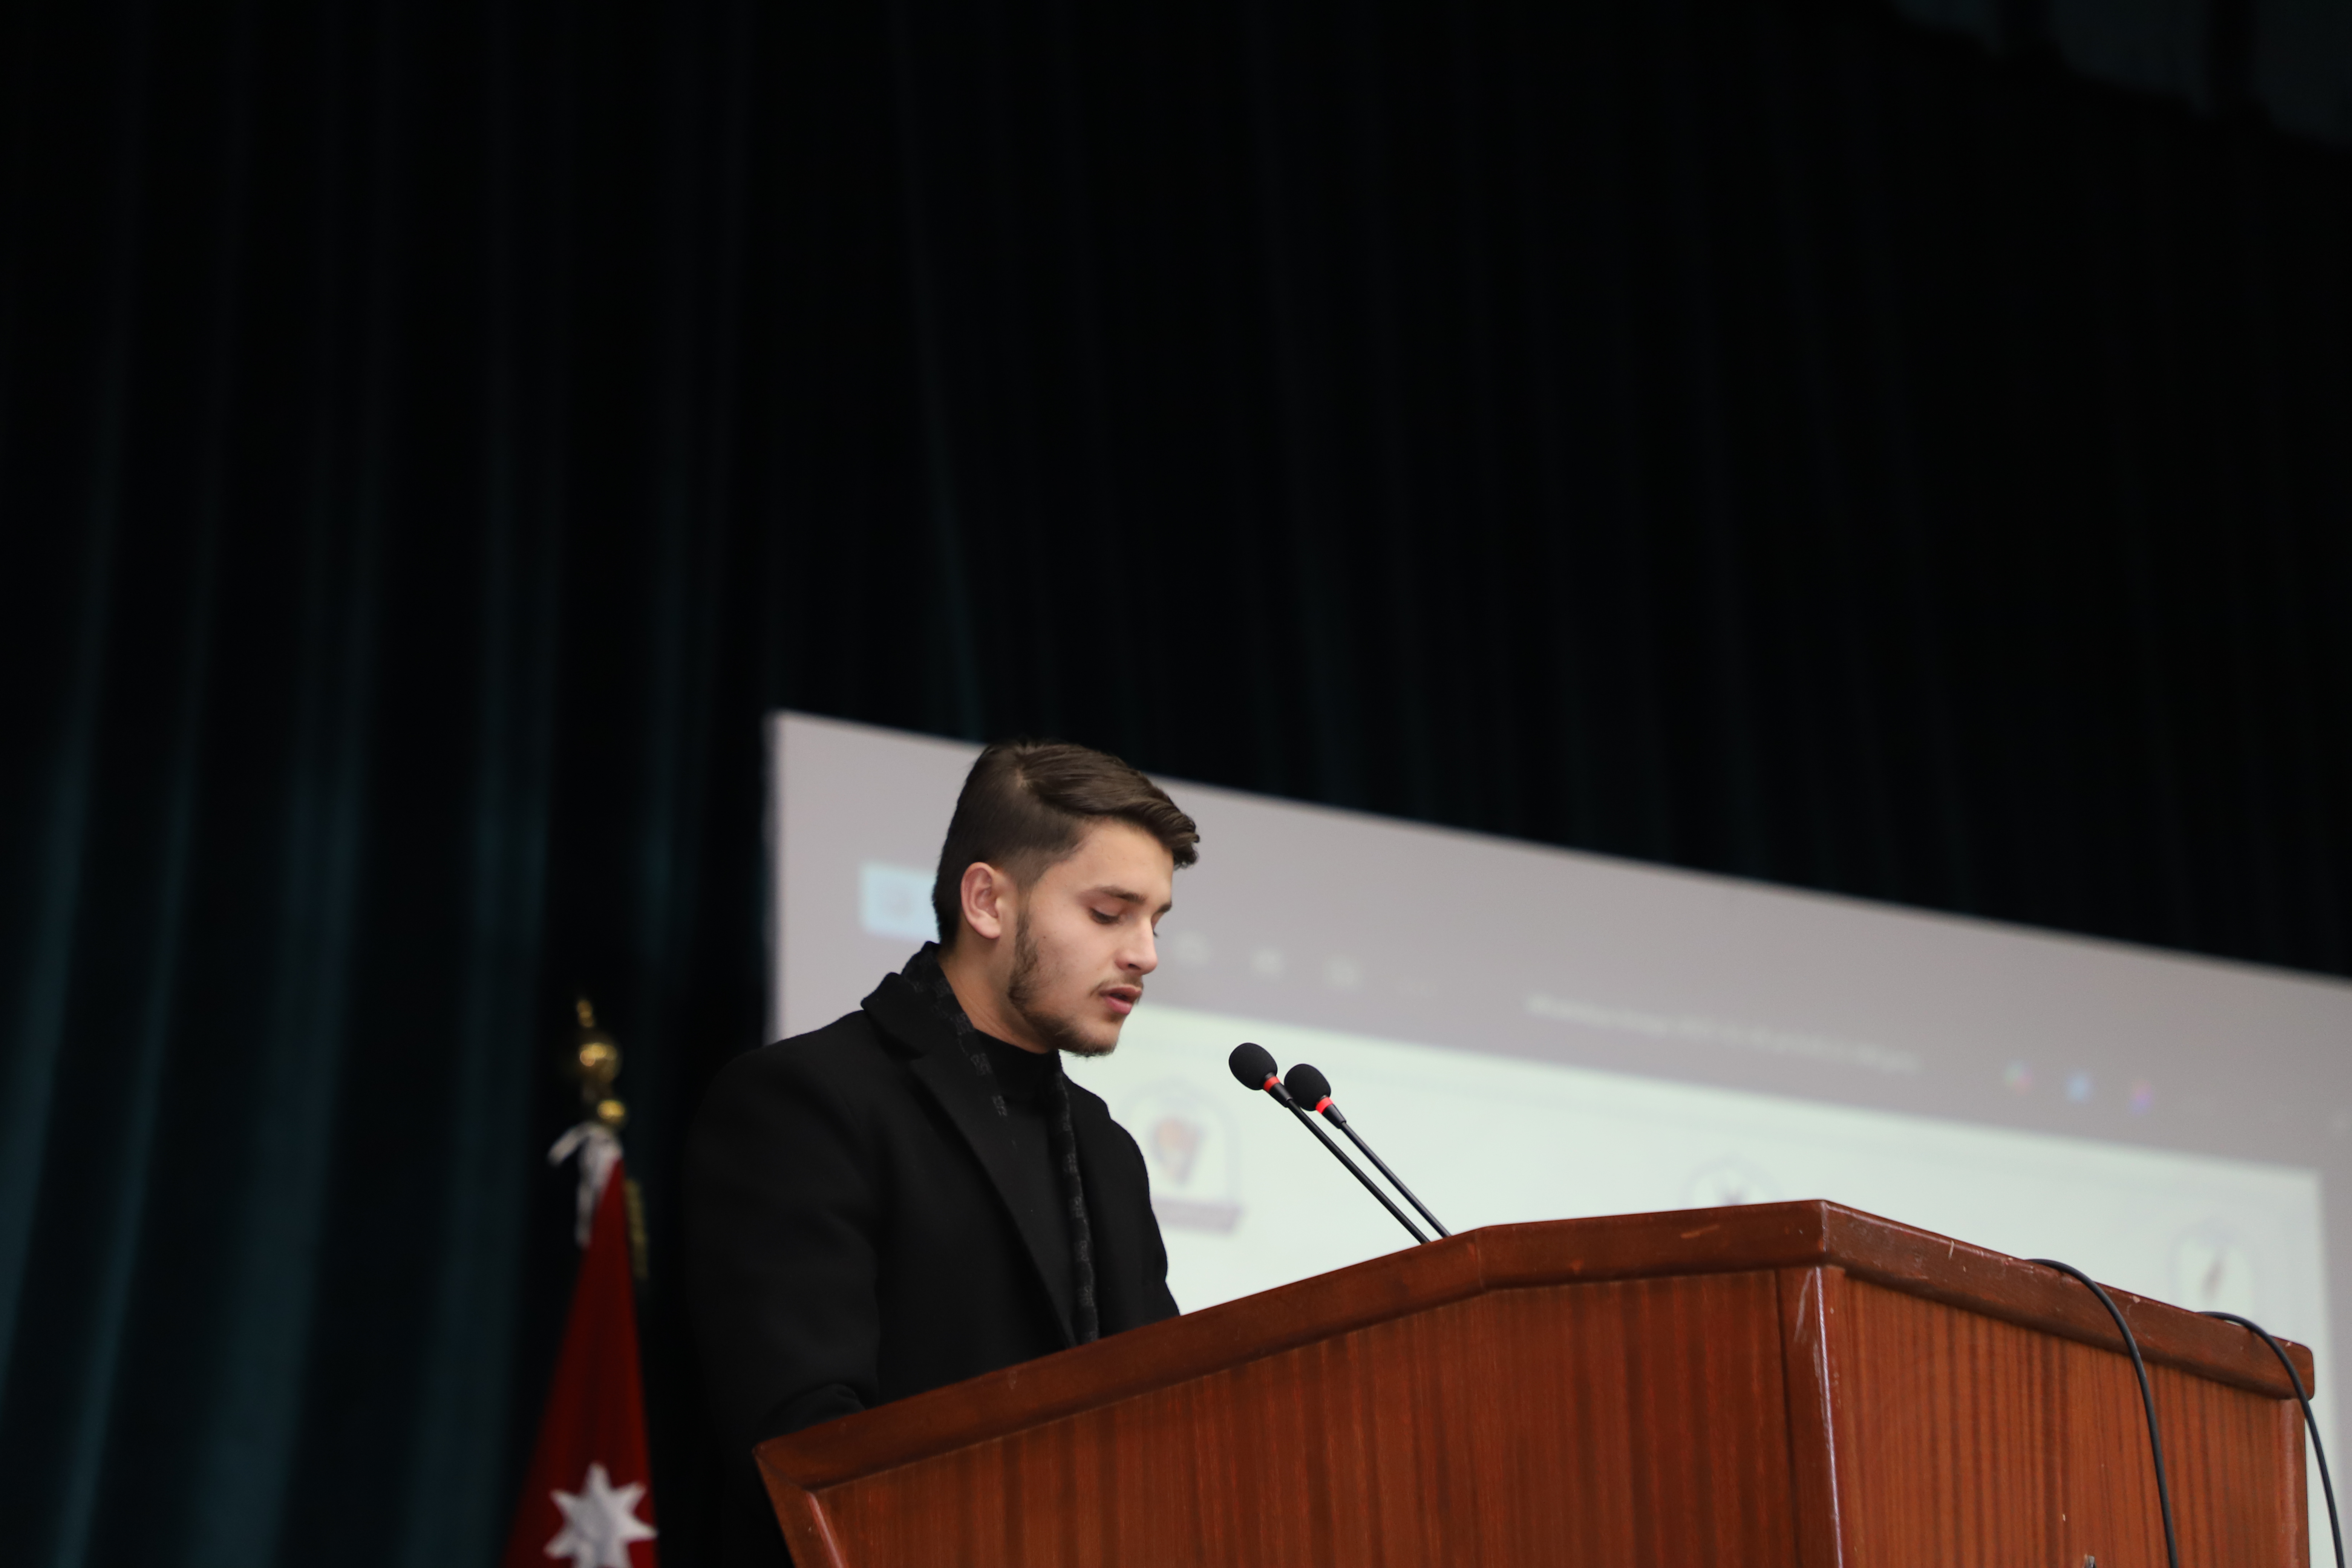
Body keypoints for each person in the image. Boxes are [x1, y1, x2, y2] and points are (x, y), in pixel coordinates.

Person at [684, 739, 1197, 1567]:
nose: (1146, 953)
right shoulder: (808, 1100)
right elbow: (803, 1446)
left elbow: (1170, 1420)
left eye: (1157, 921)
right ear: (987, 902)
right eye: (1110, 913)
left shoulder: (1106, 1149)